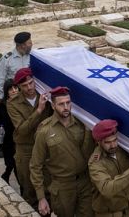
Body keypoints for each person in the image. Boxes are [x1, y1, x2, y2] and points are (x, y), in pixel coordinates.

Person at [30, 86, 96, 217]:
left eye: (68, 103)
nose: (66, 107)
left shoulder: (81, 124)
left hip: (85, 183)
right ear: (53, 106)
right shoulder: (44, 131)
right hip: (62, 187)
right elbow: (35, 165)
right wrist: (41, 197)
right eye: (61, 104)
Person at [7, 67, 52, 206]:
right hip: (26, 149)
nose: (29, 88)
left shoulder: (45, 96)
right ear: (19, 87)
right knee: (29, 189)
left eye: (31, 83)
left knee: (49, 186)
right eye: (24, 85)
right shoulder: (12, 103)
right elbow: (22, 129)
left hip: (45, 147)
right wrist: (38, 110)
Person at [88, 119, 129, 217]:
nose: (113, 145)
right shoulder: (95, 163)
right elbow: (107, 189)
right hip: (111, 213)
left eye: (115, 140)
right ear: (99, 142)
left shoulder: (123, 150)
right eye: (108, 142)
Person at [0, 79, 19, 183]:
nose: (14, 91)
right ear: (6, 91)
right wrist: (0, 142)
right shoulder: (1, 108)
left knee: (18, 168)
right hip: (8, 143)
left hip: (19, 142)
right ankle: (6, 175)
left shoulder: (22, 104)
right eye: (11, 89)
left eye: (15, 88)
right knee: (11, 163)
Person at [0, 32, 33, 100]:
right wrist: (2, 99)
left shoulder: (32, 56)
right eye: (29, 43)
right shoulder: (7, 59)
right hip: (14, 96)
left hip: (28, 95)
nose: (31, 44)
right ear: (22, 45)